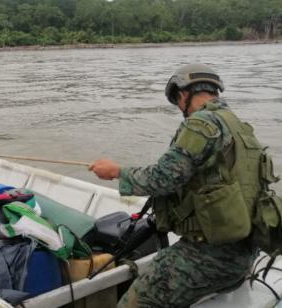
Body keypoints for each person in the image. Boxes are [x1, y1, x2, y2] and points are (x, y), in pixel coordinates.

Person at [88, 63, 261, 307]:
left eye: (178, 101)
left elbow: (163, 179)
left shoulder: (201, 124)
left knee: (133, 303)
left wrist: (116, 172)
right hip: (246, 253)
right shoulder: (239, 127)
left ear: (183, 94)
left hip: (211, 256)